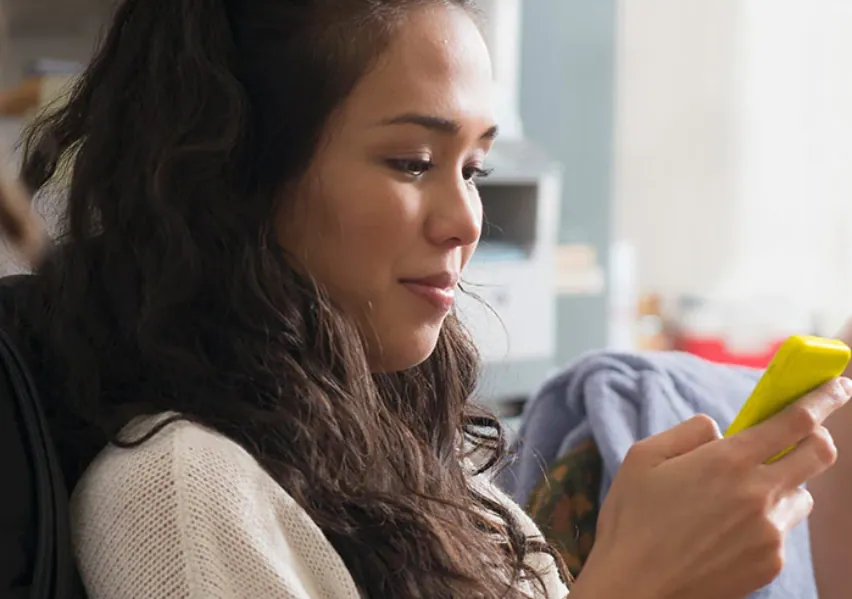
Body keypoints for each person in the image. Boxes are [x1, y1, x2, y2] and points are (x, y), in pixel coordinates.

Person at [15, 0, 849, 597]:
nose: (468, 219)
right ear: (237, 176)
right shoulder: (182, 497)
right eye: (413, 161)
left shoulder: (436, 483)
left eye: (474, 168)